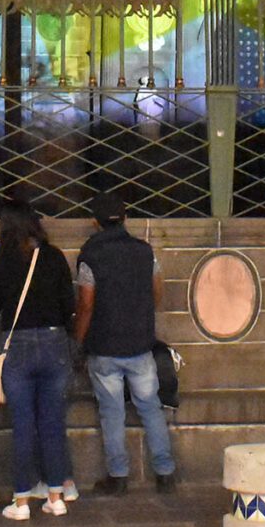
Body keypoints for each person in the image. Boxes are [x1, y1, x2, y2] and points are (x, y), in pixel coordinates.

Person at [0, 198, 78, 519]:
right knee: (52, 423)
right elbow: (68, 306)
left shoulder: (1, 262)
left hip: (19, 347)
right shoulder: (54, 256)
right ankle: (56, 497)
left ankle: (21, 502)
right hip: (54, 344)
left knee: (23, 425)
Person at [76, 198, 178, 494]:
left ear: (95, 222)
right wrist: (142, 314)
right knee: (151, 408)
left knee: (112, 413)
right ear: (125, 217)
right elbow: (156, 289)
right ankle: (165, 473)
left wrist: (79, 339)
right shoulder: (145, 251)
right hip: (140, 344)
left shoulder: (90, 254)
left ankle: (118, 476)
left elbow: (86, 303)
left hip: (104, 346)